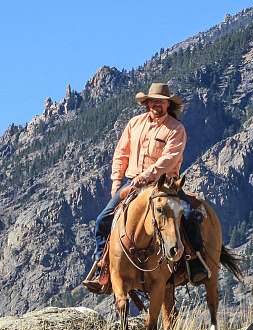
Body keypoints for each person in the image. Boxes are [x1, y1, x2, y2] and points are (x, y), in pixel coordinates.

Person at [82, 83, 209, 289]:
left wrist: (145, 176)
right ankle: (103, 266)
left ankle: (195, 262)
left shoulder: (176, 129)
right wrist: (116, 181)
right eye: (153, 101)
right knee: (103, 221)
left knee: (188, 215)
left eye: (161, 101)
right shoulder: (134, 124)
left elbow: (168, 159)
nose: (156, 104)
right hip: (132, 183)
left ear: (168, 104)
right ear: (147, 102)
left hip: (165, 185)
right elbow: (121, 153)